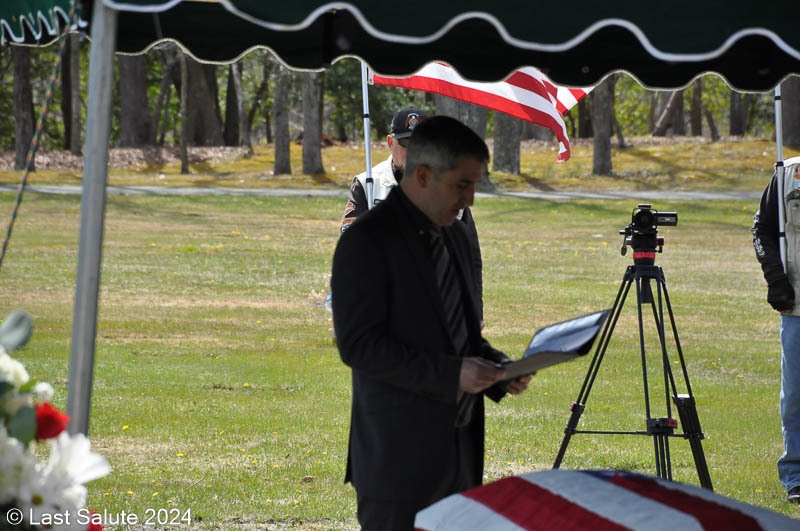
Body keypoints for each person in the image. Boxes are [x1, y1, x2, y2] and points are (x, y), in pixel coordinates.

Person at [331, 115, 532, 530]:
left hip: (460, 451)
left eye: (475, 185)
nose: (470, 200)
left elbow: (460, 333)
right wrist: (454, 373)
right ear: (422, 175)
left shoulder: (454, 235)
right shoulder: (367, 242)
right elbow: (360, 347)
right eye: (462, 185)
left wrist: (497, 369)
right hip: (397, 461)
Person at [340, 107, 485, 321]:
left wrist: (475, 310)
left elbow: (470, 255)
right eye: (406, 144)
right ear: (390, 142)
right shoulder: (368, 183)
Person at [752, 156, 800, 503]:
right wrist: (775, 279)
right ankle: (796, 476)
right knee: (796, 396)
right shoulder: (788, 174)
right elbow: (762, 231)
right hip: (796, 304)